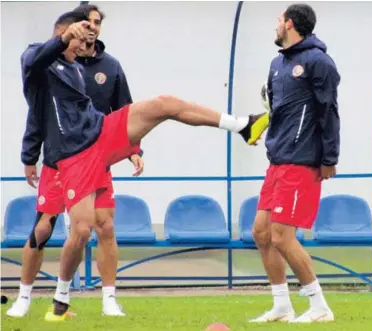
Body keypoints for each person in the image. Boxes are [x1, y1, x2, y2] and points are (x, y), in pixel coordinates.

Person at [19, 10, 268, 322]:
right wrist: (67, 37)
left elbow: (117, 105)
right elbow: (35, 63)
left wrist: (133, 148)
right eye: (80, 37)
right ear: (64, 34)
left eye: (91, 33)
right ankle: (59, 297)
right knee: (80, 230)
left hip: (102, 133)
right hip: (73, 157)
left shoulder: (85, 68)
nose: (86, 42)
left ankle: (242, 125)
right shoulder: (36, 60)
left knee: (164, 104)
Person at [7, 4, 139, 318]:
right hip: (59, 162)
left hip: (96, 158)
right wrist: (30, 154)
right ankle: (24, 296)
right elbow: (38, 112)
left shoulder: (107, 66)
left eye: (96, 24)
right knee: (42, 228)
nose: (91, 30)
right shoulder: (51, 62)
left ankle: (108, 298)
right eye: (86, 24)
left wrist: (134, 149)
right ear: (70, 30)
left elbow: (124, 113)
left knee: (103, 226)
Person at [249, 4, 340, 323]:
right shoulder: (277, 63)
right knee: (261, 232)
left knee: (282, 236)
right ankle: (282, 305)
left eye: (278, 20)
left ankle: (319, 307)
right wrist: (258, 129)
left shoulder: (318, 61)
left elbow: (329, 111)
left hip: (302, 160)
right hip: (277, 159)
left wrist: (330, 157)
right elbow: (277, 111)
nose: (275, 26)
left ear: (289, 24)